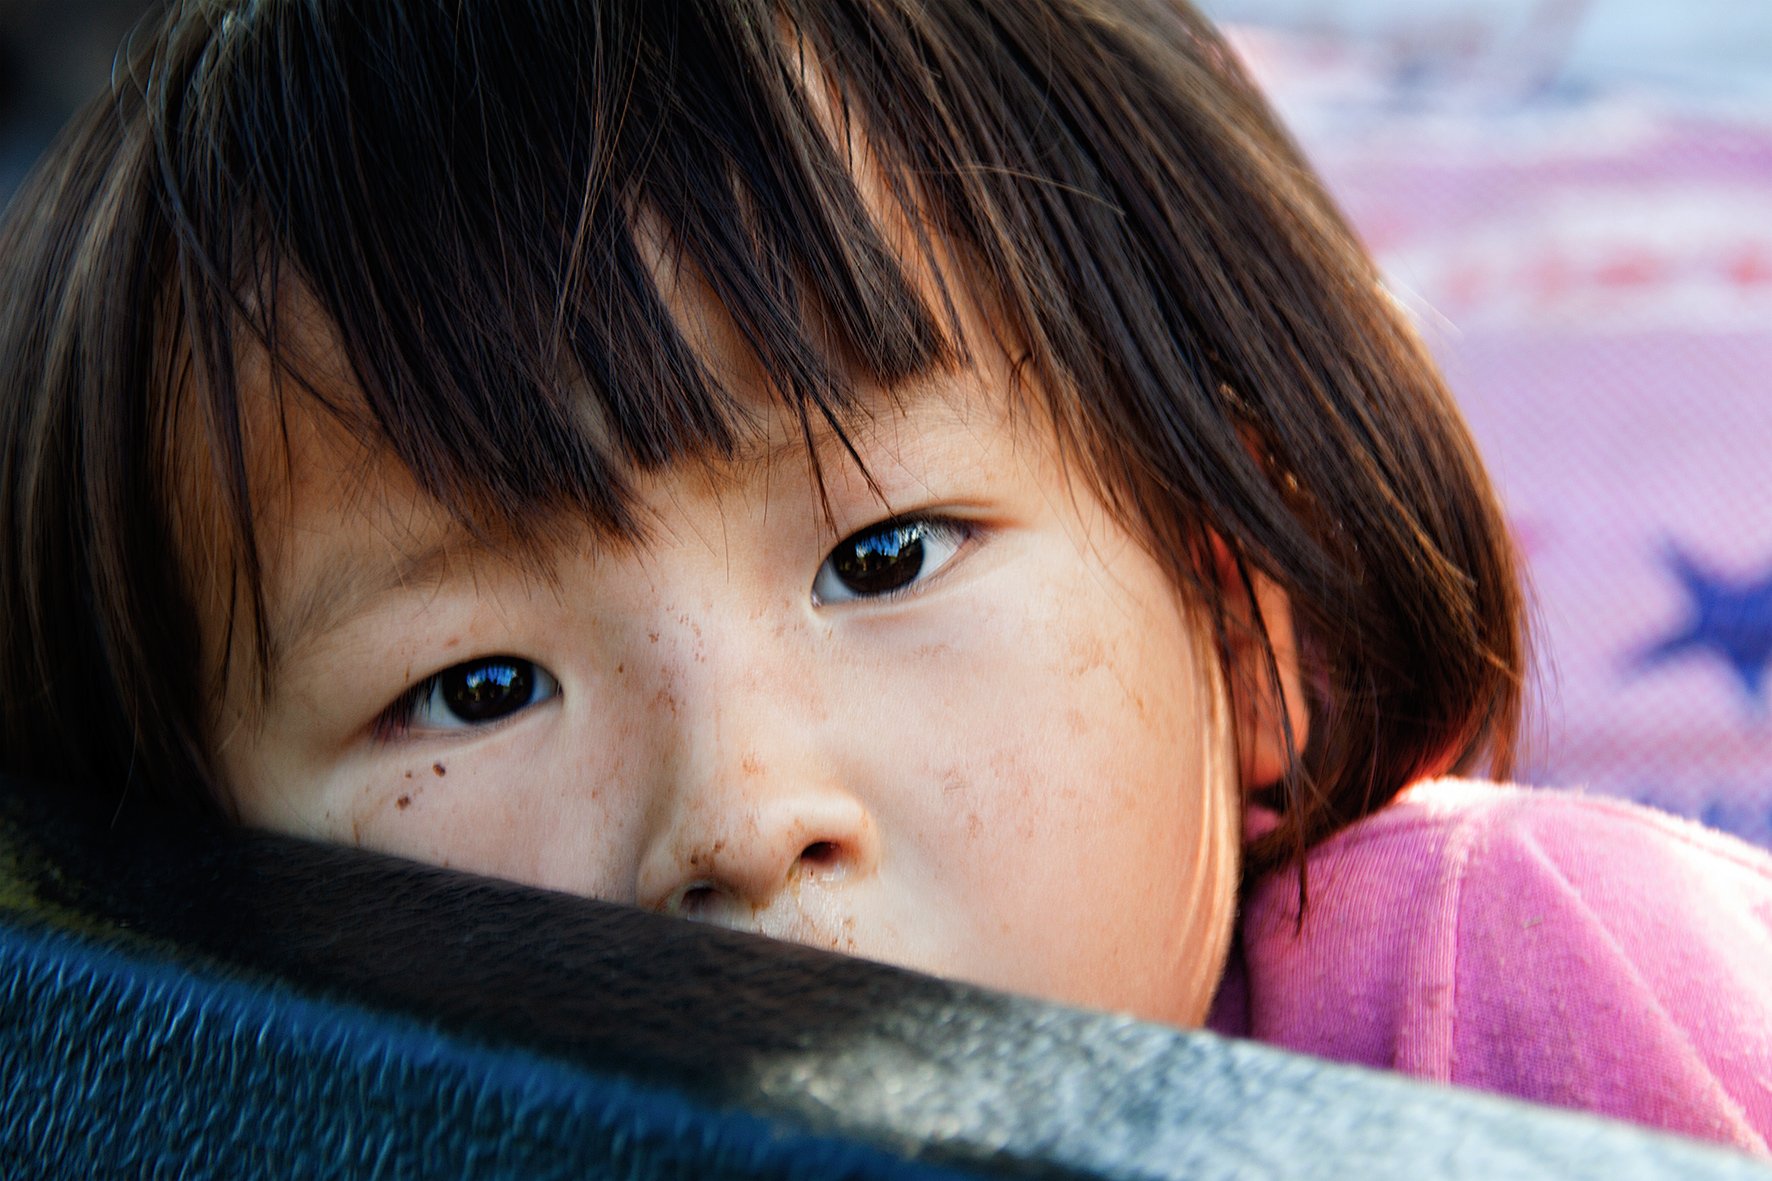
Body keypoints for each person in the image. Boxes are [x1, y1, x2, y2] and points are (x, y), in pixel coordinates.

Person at [0, 0, 1765, 1155]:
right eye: (476, 686)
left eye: (884, 554)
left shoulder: (1537, 999)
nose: (744, 814)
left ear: (1245, 627)